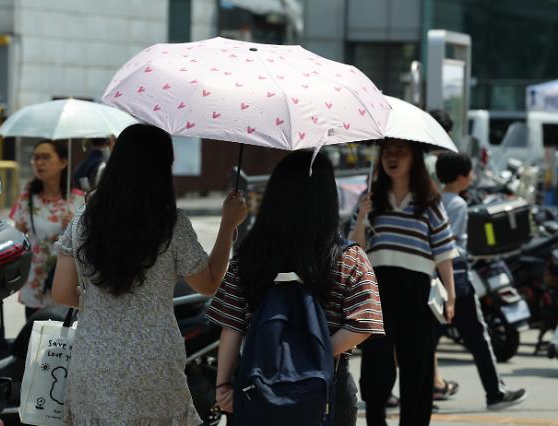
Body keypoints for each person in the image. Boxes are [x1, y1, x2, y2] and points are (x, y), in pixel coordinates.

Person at [51, 123, 248, 425]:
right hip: (153, 360)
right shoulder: (170, 224)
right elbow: (209, 284)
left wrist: (102, 304)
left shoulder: (84, 220)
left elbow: (62, 292)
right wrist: (227, 226)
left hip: (94, 357)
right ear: (163, 168)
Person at [207, 151, 385, 425]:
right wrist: (312, 355)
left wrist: (222, 387)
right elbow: (364, 323)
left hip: (255, 384)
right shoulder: (347, 256)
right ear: (328, 198)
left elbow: (231, 324)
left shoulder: (250, 256)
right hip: (326, 386)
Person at [351, 139, 457, 426]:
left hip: (418, 289)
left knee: (418, 364)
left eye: (401, 151)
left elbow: (444, 251)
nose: (392, 157)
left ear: (414, 159)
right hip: (378, 288)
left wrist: (451, 295)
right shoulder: (371, 198)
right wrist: (362, 215)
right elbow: (354, 248)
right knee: (376, 362)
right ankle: (376, 420)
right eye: (387, 151)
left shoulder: (430, 201)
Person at [435, 151, 528, 409]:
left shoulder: (435, 200)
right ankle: (495, 393)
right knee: (478, 336)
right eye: (471, 172)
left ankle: (416, 392)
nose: (473, 177)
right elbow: (448, 243)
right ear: (463, 177)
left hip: (436, 278)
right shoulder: (458, 204)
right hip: (457, 277)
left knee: (428, 339)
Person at [10, 140, 84, 319]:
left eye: (45, 157)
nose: (39, 163)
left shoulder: (79, 200)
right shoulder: (27, 198)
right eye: (35, 158)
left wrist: (74, 227)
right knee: (34, 341)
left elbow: (89, 244)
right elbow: (16, 239)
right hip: (36, 282)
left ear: (63, 162)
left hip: (67, 284)